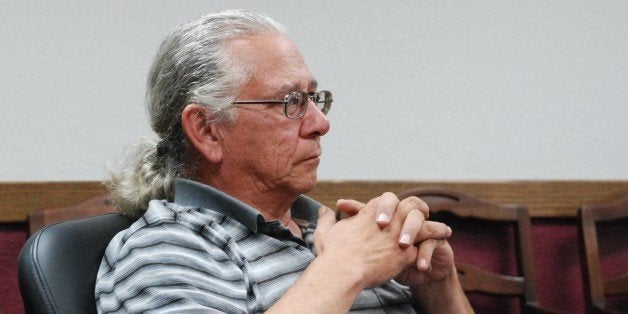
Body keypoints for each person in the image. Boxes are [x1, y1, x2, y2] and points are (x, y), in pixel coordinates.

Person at [95, 10, 472, 313]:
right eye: (290, 102)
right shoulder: (165, 250)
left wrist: (438, 285)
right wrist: (346, 267)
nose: (320, 124)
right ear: (207, 129)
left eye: (313, 98)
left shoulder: (331, 232)